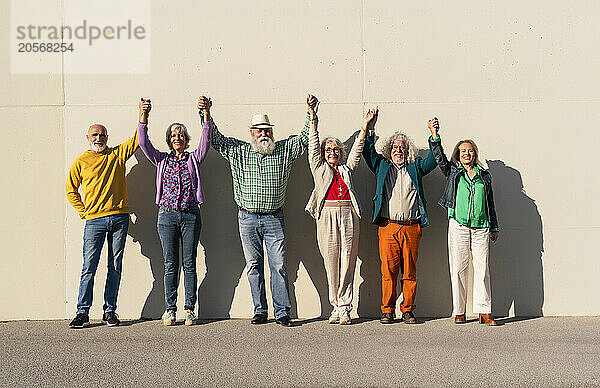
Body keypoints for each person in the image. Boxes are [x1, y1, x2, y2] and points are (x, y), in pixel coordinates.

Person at [204, 95, 312, 327]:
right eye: (259, 130)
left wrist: (310, 112)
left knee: (279, 266)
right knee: (254, 266)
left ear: (271, 132)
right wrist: (206, 113)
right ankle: (260, 310)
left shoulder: (283, 150)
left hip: (274, 218)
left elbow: (304, 139)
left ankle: (282, 312)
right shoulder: (239, 151)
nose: (264, 134)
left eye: (267, 130)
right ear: (251, 132)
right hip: (247, 218)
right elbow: (215, 139)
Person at [137, 97, 212, 326]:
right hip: (166, 216)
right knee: (170, 264)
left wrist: (206, 114)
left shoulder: (193, 159)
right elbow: (143, 142)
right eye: (173, 136)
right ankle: (170, 309)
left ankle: (189, 309)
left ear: (186, 139)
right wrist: (144, 115)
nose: (177, 138)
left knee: (189, 263)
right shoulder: (161, 159)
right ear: (169, 141)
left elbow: (206, 141)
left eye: (181, 135)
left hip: (190, 215)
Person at [362, 108, 437, 324]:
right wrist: (370, 126)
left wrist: (433, 135)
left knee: (409, 272)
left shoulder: (415, 168)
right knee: (388, 272)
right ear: (389, 149)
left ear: (408, 150)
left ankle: (408, 310)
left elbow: (433, 160)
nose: (398, 150)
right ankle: (387, 310)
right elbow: (368, 153)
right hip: (388, 227)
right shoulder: (382, 166)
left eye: (402, 147)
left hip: (412, 227)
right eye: (395, 147)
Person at [65, 110, 139, 328]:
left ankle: (110, 311)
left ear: (108, 137)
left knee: (114, 265)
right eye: (95, 135)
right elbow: (71, 191)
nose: (99, 138)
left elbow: (137, 140)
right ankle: (82, 312)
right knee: (89, 266)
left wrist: (143, 115)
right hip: (94, 222)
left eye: (103, 135)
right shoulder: (81, 162)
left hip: (119, 219)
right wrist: (83, 211)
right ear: (88, 138)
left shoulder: (116, 155)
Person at [304, 101, 373, 325]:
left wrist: (364, 128)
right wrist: (313, 118)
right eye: (329, 149)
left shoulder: (346, 168)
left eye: (336, 150)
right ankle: (335, 305)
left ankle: (345, 307)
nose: (332, 152)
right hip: (327, 214)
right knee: (331, 260)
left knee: (348, 260)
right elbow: (312, 146)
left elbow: (357, 151)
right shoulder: (319, 167)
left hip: (348, 214)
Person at [428, 117, 500, 326]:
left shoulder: (484, 176)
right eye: (462, 151)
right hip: (458, 225)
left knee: (482, 268)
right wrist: (435, 135)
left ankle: (484, 311)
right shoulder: (453, 172)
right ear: (458, 155)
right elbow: (440, 158)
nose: (467, 153)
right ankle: (459, 311)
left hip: (481, 227)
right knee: (459, 267)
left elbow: (490, 202)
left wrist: (494, 226)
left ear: (475, 154)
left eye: (470, 150)